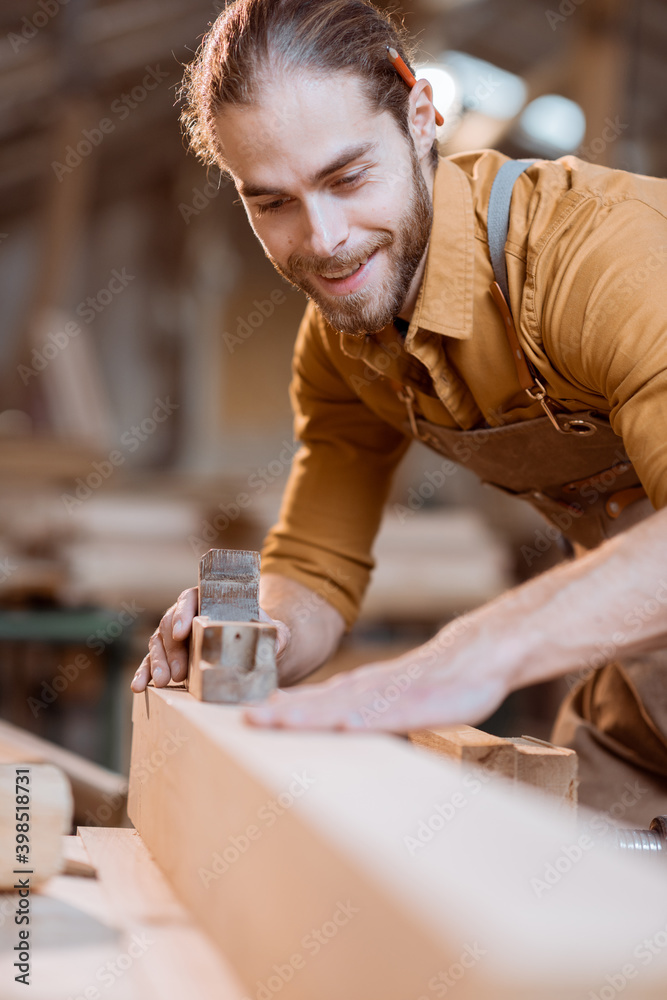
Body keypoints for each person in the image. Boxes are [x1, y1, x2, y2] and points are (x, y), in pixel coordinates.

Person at [131, 0, 667, 821]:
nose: (325, 239)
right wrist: (259, 637)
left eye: (347, 178)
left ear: (421, 118)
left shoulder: (603, 262)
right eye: (272, 202)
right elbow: (314, 568)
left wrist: (472, 653)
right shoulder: (343, 349)